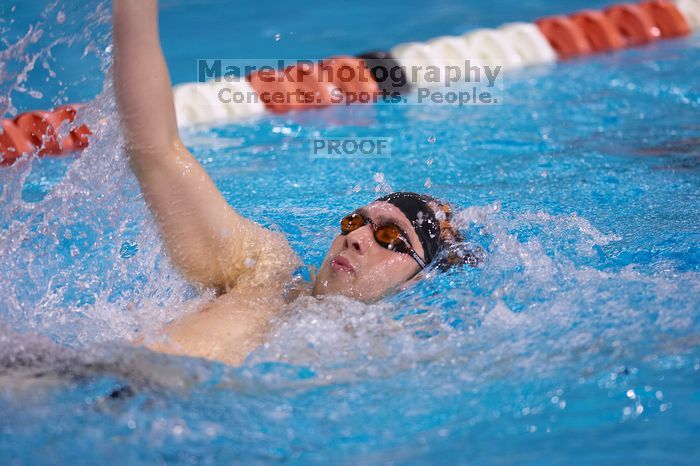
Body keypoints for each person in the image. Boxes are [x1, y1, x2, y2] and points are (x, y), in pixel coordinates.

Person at [113, 0, 477, 365]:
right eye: (355, 221)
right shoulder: (263, 272)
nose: (355, 238)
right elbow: (156, 152)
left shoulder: (398, 356)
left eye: (389, 236)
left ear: (419, 281)